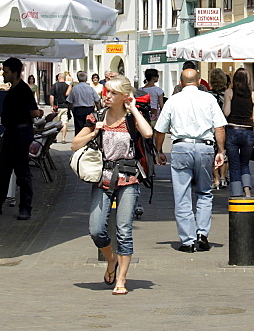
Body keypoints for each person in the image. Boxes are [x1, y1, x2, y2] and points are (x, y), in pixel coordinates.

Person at [72, 75, 153, 295]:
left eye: (113, 93)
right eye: (107, 91)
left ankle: (121, 280)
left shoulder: (131, 119)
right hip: (103, 178)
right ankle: (111, 259)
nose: (107, 96)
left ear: (124, 97)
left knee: (124, 231)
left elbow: (148, 133)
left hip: (129, 178)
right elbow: (74, 144)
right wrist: (95, 132)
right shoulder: (96, 117)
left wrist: (134, 109)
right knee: (96, 229)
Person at [153, 68, 227, 253]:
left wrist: (159, 150)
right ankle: (202, 234)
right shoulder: (209, 99)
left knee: (182, 194)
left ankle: (187, 240)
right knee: (204, 192)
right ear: (199, 81)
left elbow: (160, 129)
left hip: (181, 147)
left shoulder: (174, 100)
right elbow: (219, 127)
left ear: (180, 81)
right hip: (204, 147)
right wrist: (221, 151)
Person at [0, 57, 41, 221]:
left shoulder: (23, 90)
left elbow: (33, 111)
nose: (3, 74)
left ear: (15, 72)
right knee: (3, 171)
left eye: (6, 71)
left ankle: (25, 207)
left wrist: (38, 113)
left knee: (22, 172)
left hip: (20, 134)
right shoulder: (14, 89)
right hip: (12, 133)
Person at [223, 68, 254, 198]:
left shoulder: (229, 92)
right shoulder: (253, 95)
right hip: (248, 132)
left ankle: (237, 192)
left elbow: (226, 112)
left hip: (233, 130)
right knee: (245, 163)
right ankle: (247, 191)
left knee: (234, 164)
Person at [209, 68, 230, 190]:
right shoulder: (227, 94)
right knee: (223, 152)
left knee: (213, 153)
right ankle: (223, 177)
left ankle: (215, 179)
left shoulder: (207, 95)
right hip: (224, 126)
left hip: (210, 127)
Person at [66, 71, 101, 136]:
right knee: (89, 126)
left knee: (78, 127)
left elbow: (70, 102)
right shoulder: (90, 88)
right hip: (89, 109)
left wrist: (68, 111)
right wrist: (99, 110)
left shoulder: (74, 89)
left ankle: (78, 140)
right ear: (86, 79)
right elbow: (97, 100)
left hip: (78, 110)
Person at [49, 72, 71, 143]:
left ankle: (54, 138)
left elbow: (51, 97)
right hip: (65, 106)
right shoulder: (68, 86)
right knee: (64, 123)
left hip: (57, 107)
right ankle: (63, 138)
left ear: (58, 78)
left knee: (55, 123)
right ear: (64, 78)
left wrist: (52, 106)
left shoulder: (54, 86)